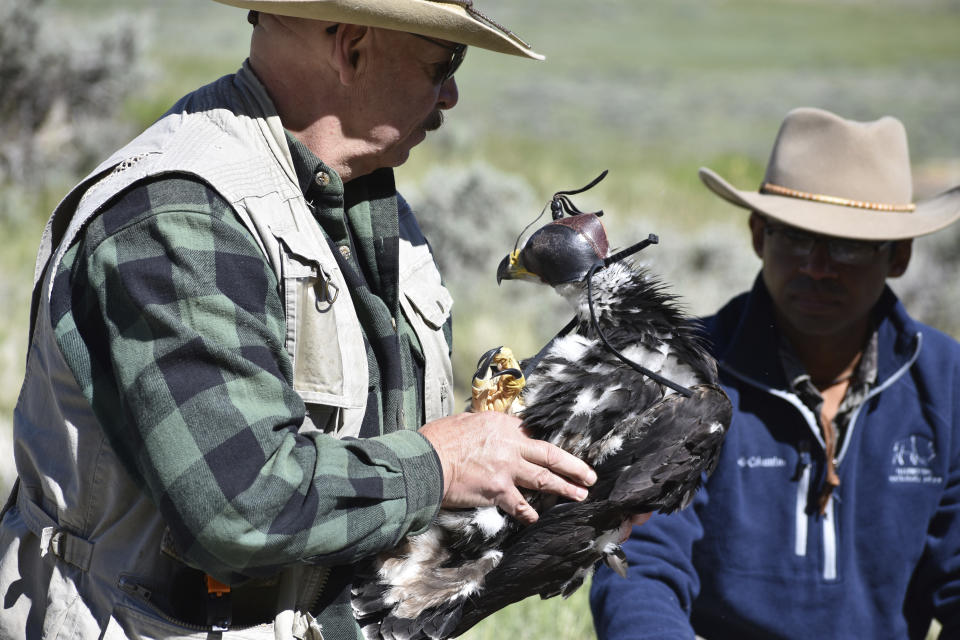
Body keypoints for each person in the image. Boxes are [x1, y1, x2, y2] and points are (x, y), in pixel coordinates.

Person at [0, 2, 601, 638]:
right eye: (441, 62)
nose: (450, 94)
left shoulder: (365, 197)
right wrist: (442, 465)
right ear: (352, 48)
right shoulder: (177, 217)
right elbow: (240, 503)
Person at [590, 107, 960, 639]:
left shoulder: (944, 386)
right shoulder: (680, 374)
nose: (817, 266)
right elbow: (640, 562)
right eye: (795, 236)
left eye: (848, 245)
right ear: (759, 234)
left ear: (898, 255)